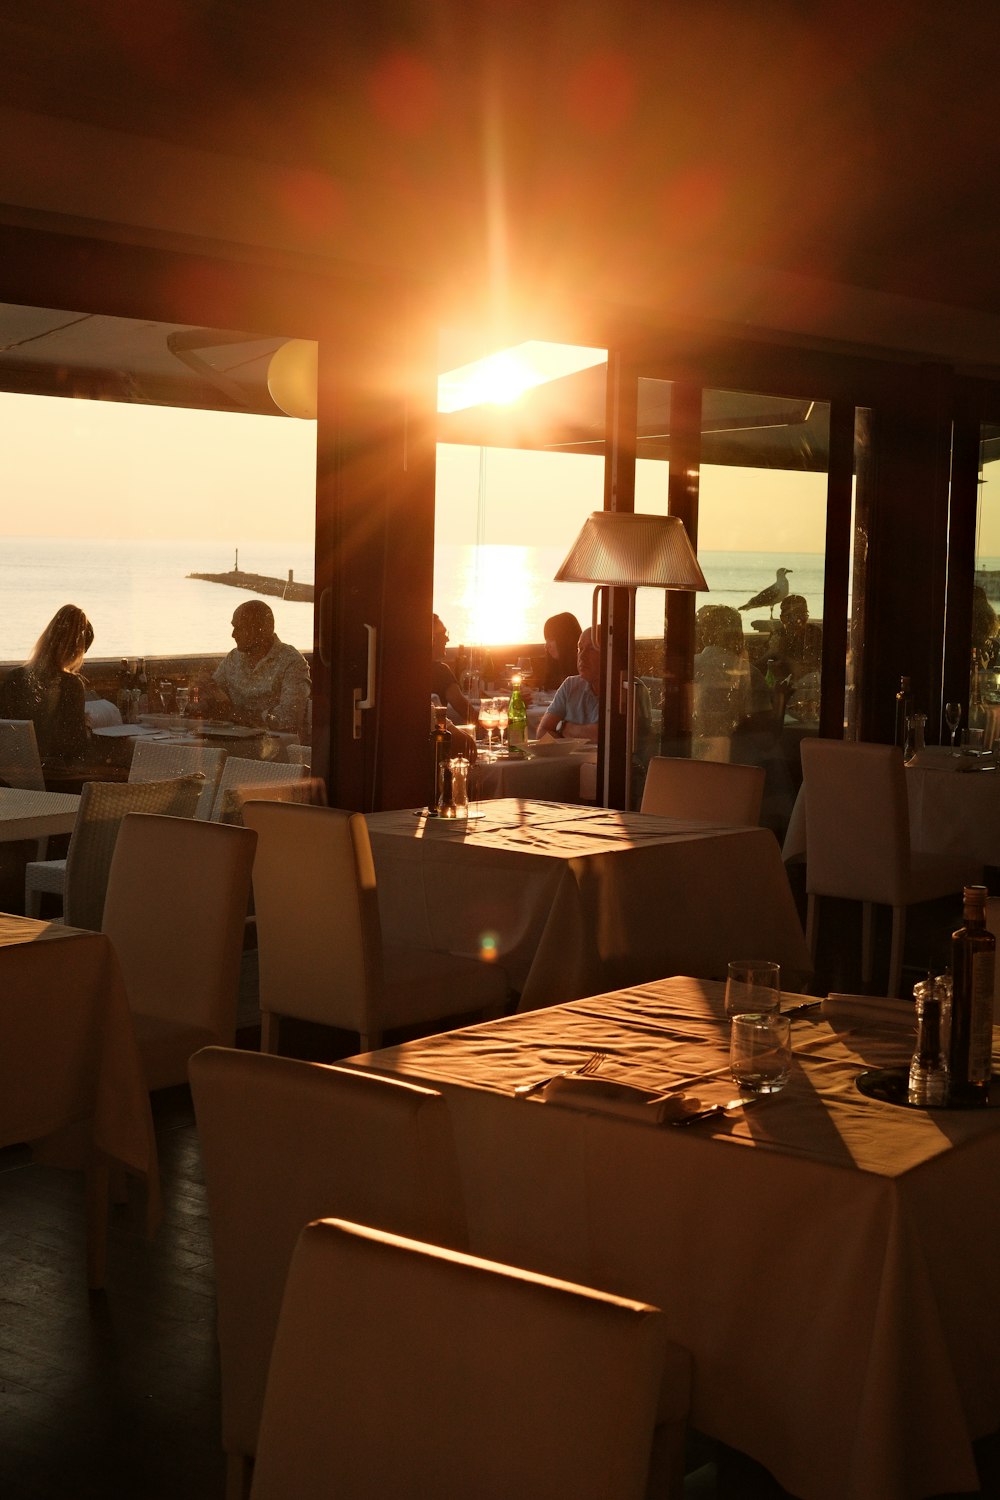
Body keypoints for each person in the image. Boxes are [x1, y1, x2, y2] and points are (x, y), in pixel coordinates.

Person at [0, 603, 94, 762]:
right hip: (54, 771)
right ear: (76, 650)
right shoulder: (70, 684)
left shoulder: (15, 677)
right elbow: (75, 746)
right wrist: (88, 728)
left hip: (15, 770)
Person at [205, 600, 311, 730]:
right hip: (236, 738)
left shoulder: (291, 662)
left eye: (240, 628)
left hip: (275, 745)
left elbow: (289, 718)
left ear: (264, 630)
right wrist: (205, 689)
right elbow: (215, 692)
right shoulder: (233, 657)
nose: (233, 635)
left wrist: (239, 715)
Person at [537, 626, 600, 741]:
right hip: (574, 759)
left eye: (591, 649)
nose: (582, 656)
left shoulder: (628, 689)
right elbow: (542, 731)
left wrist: (564, 728)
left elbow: (605, 735)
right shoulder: (570, 685)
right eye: (580, 649)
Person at [541, 611, 583, 691]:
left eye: (551, 639)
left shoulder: (584, 672)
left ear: (566, 639)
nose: (546, 646)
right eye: (546, 640)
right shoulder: (555, 670)